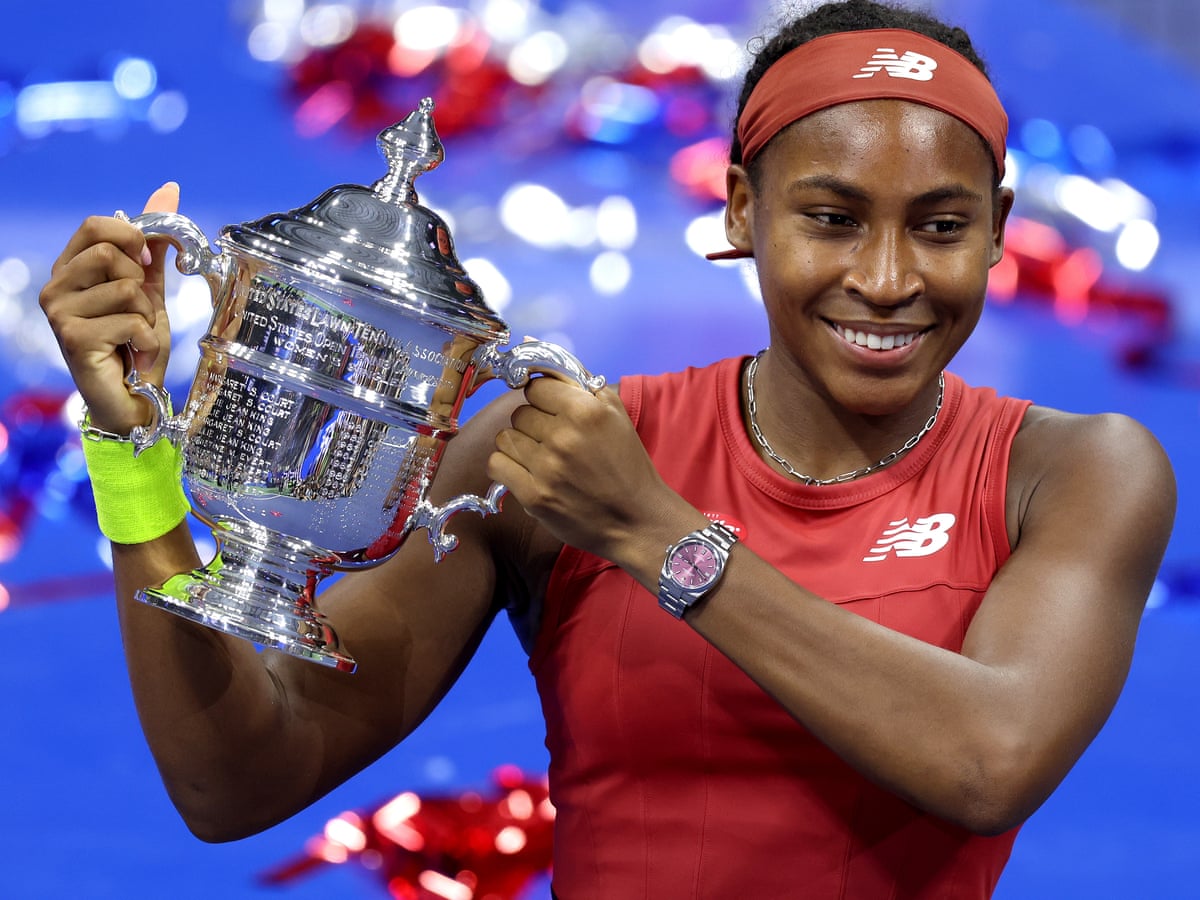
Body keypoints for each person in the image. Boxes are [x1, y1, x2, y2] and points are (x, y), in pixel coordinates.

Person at [39, 0, 1175, 896]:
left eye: (941, 226)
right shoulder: (556, 458)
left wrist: (658, 532)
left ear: (998, 228)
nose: (886, 279)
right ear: (740, 212)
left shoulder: (1077, 470)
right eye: (829, 218)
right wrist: (131, 457)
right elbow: (238, 781)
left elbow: (992, 761)